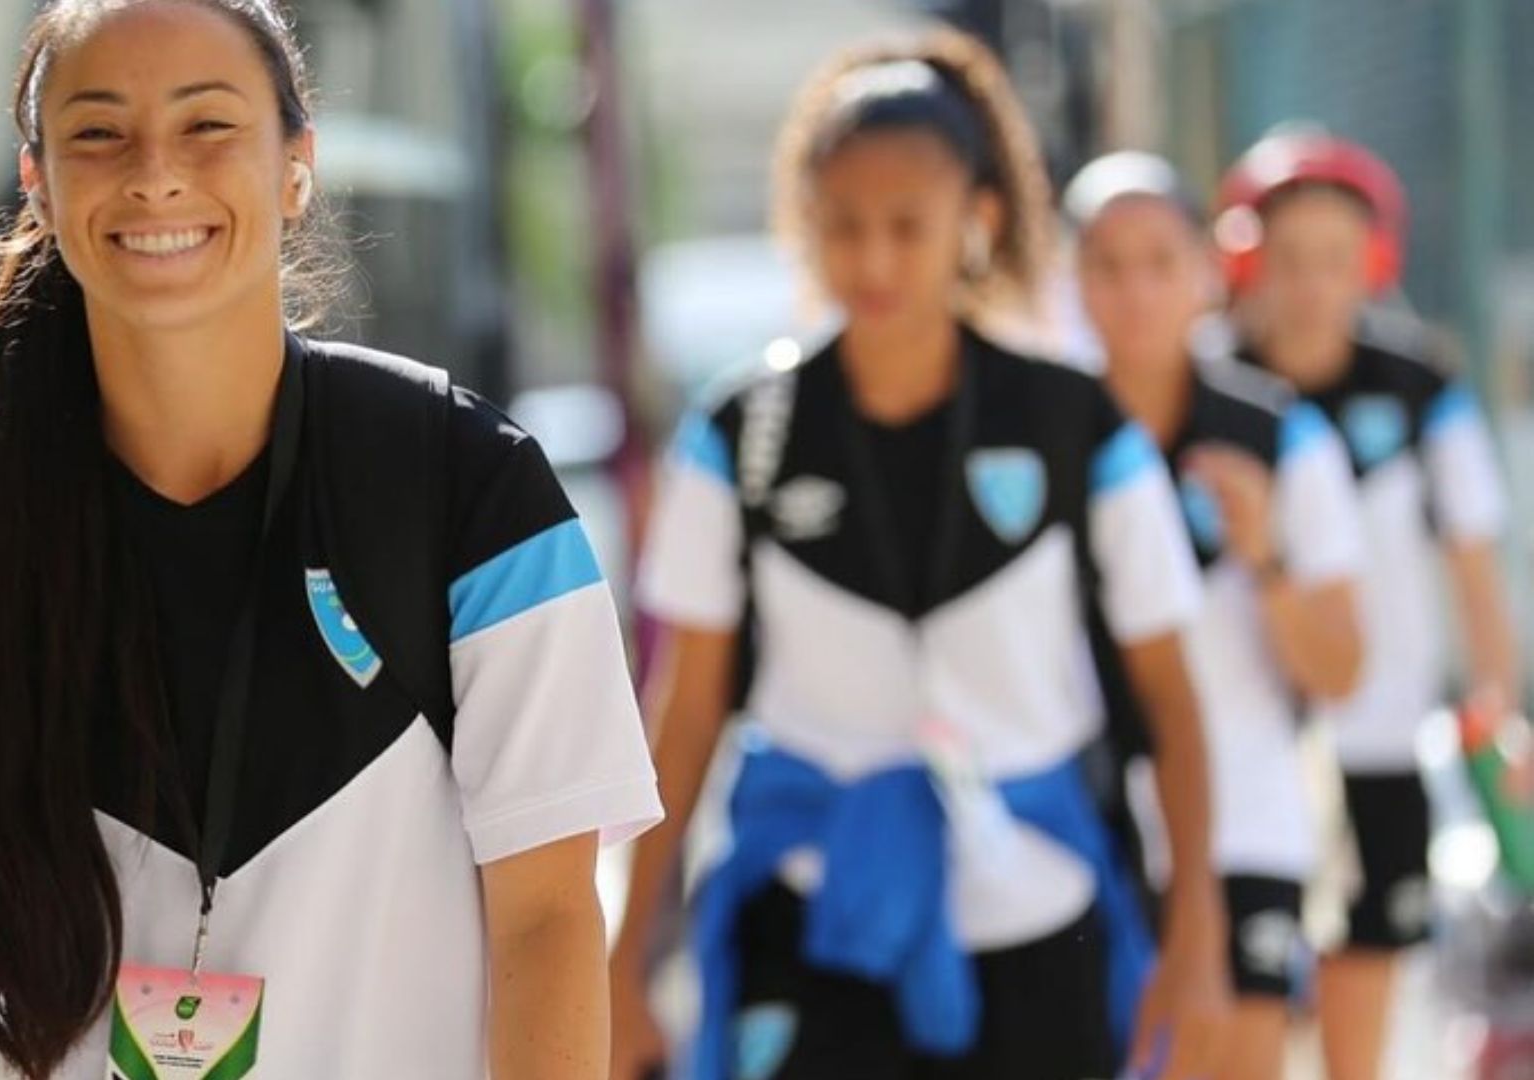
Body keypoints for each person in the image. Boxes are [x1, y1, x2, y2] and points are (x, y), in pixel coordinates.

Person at [0, 2, 664, 1078]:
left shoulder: (469, 489)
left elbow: (546, 925)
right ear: (38, 183)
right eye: (99, 134)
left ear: (296, 166)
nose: (155, 175)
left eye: (207, 126)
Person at [609, 30, 1229, 1080]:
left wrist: (1196, 940)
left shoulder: (1077, 424)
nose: (876, 258)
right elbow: (688, 705)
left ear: (977, 221)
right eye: (843, 225)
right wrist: (626, 954)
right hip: (813, 911)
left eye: (909, 224)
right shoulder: (739, 432)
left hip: (1038, 913)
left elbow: (1171, 694)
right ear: (805, 226)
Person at [1216, 129, 1519, 1080]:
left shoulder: (1422, 389)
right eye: (1289, 256)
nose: (1312, 283)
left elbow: (1475, 566)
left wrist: (1497, 703)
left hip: (1381, 735)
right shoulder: (1209, 385)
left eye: (1336, 259)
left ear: (1373, 263)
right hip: (1243, 756)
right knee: (1242, 1016)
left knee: (1361, 1005)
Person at [1067, 152, 1365, 1080]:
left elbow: (1341, 669)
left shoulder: (1279, 439)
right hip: (1081, 827)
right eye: (1107, 266)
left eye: (1161, 261)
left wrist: (1265, 555)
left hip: (1247, 827)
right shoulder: (1040, 433)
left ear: (1206, 267)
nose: (1136, 293)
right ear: (1070, 279)